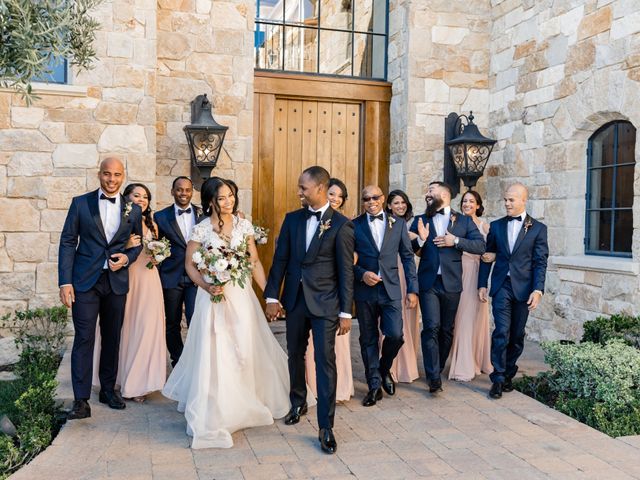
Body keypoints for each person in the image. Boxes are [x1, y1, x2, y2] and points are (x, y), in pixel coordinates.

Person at [162, 178, 299, 449]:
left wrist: (270, 295)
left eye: (231, 196)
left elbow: (255, 261)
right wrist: (206, 284)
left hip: (241, 297)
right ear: (211, 200)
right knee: (216, 349)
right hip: (211, 299)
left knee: (243, 348)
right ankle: (217, 406)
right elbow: (190, 264)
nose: (229, 202)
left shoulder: (243, 225)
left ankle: (245, 399)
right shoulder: (201, 229)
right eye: (223, 197)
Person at [264, 166, 354, 455]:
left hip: (326, 303)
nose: (299, 191)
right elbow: (280, 261)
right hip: (295, 300)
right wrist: (271, 297)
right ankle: (298, 401)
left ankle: (326, 426)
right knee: (295, 354)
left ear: (319, 188)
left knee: (324, 361)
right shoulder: (292, 220)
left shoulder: (341, 224)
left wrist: (345, 312)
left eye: (303, 187)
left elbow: (345, 272)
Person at [58, 157, 143, 419]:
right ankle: (81, 401)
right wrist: (65, 281)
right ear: (99, 175)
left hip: (115, 282)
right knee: (84, 338)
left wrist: (127, 258)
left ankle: (108, 390)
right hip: (85, 282)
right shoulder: (80, 203)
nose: (112, 179)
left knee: (112, 337)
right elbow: (68, 241)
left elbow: (137, 244)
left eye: (117, 175)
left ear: (123, 176)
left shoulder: (133, 209)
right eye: (107, 174)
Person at [92, 183, 167, 403]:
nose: (142, 200)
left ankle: (138, 383)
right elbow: (106, 247)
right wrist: (124, 244)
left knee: (146, 328)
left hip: (149, 280)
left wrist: (158, 256)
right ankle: (117, 379)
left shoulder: (153, 225)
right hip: (125, 277)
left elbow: (159, 250)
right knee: (122, 329)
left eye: (145, 197)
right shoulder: (119, 220)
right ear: (127, 198)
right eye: (137, 195)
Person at [410, 181, 485, 394]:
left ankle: (438, 364)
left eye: (431, 191)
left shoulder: (463, 221)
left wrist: (456, 241)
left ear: (444, 194)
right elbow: (408, 248)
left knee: (446, 329)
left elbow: (480, 246)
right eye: (426, 191)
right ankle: (433, 377)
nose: (427, 194)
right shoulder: (420, 220)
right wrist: (422, 241)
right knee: (431, 327)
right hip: (428, 282)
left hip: (452, 283)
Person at [478, 183, 548, 399]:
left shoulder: (537, 228)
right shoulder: (496, 226)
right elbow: (487, 256)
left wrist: (538, 290)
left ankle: (508, 372)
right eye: (505, 200)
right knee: (501, 331)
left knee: (516, 335)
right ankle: (497, 378)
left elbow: (540, 262)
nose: (507, 203)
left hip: (524, 288)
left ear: (523, 200)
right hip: (501, 287)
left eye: (511, 200)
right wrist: (482, 283)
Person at [353, 186, 418, 406]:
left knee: (395, 335)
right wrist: (362, 275)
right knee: (368, 338)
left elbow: (408, 258)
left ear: (383, 199)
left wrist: (412, 289)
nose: (371, 201)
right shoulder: (354, 225)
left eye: (375, 197)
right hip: (365, 290)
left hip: (391, 289)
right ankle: (373, 386)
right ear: (362, 201)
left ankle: (383, 368)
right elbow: (346, 262)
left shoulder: (397, 223)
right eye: (366, 198)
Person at [305, 177, 354, 403]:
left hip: (332, 297)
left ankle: (339, 389)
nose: (335, 198)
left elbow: (350, 262)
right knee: (309, 348)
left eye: (339, 196)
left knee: (333, 351)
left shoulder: (345, 224)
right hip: (309, 295)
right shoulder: (304, 219)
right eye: (332, 194)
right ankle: (311, 388)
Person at [447, 190, 492, 382]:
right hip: (456, 274)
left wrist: (483, 283)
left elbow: (488, 256)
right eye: (464, 201)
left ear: (478, 206)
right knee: (457, 318)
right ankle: (460, 359)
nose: (467, 204)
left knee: (469, 319)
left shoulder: (484, 226)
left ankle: (467, 365)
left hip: (473, 275)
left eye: (471, 201)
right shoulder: (455, 222)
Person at [154, 177, 199, 367]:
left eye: (187, 190)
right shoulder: (160, 217)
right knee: (172, 322)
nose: (183, 193)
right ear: (172, 191)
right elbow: (155, 246)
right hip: (170, 276)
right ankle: (178, 359)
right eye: (179, 190)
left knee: (195, 319)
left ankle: (194, 359)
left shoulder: (203, 214)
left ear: (192, 192)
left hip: (196, 277)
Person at [384, 189, 420, 383]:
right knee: (392, 322)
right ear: (389, 205)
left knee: (407, 319)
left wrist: (421, 238)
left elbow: (415, 252)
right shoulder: (384, 224)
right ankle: (390, 366)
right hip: (390, 274)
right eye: (396, 203)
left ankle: (406, 365)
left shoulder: (412, 226)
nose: (400, 206)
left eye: (403, 202)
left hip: (407, 275)